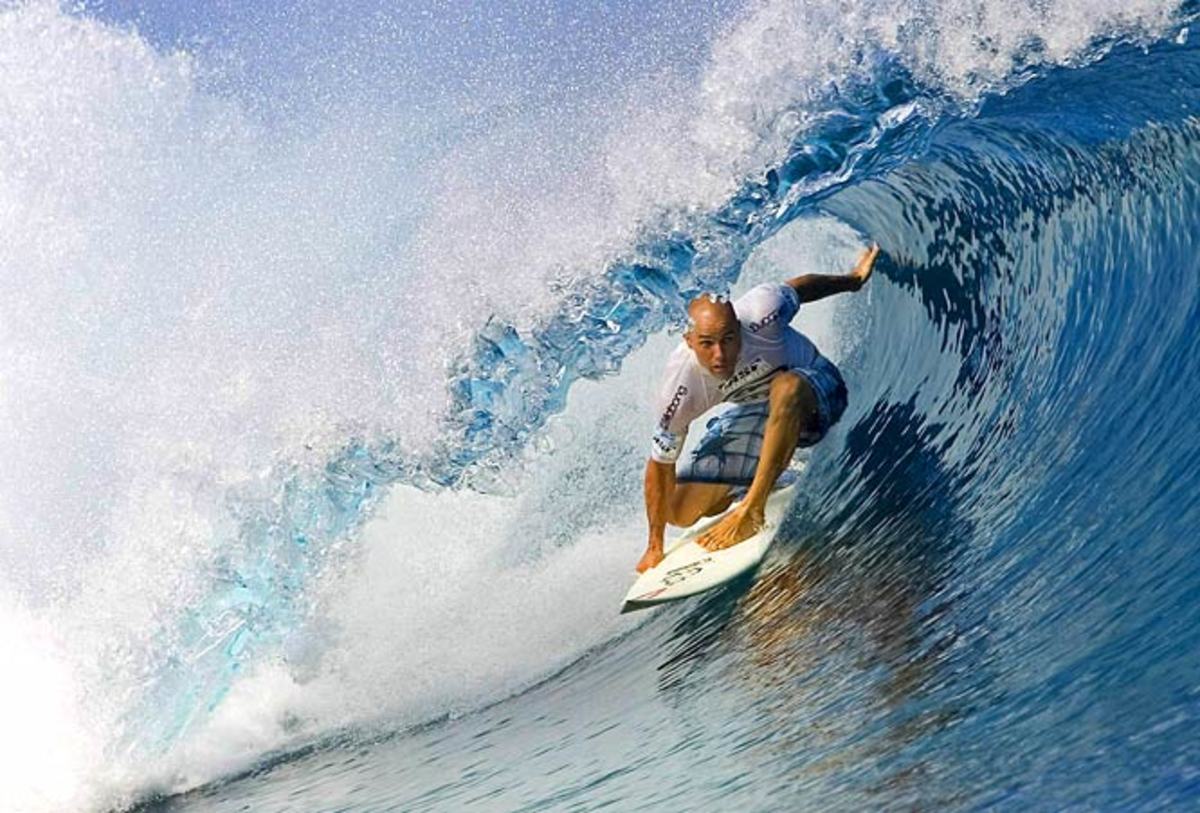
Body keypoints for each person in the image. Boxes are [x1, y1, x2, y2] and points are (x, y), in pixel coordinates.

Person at [637, 245, 880, 573]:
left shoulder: (763, 312)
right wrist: (655, 546)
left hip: (818, 394)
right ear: (689, 341)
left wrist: (853, 280)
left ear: (740, 327)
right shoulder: (679, 388)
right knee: (678, 511)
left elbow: (800, 289)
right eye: (707, 344)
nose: (720, 355)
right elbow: (660, 464)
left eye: (729, 339)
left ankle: (753, 506)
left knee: (786, 386)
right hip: (758, 415)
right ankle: (753, 476)